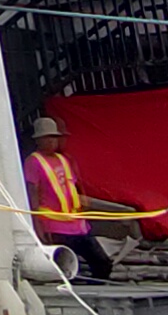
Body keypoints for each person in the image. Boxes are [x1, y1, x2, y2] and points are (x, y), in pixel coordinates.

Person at [23, 110, 112, 281]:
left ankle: (93, 289)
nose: (52, 141)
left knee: (102, 263)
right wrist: (38, 225)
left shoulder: (63, 159)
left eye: (54, 137)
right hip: (54, 226)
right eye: (47, 137)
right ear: (38, 140)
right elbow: (33, 194)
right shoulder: (33, 161)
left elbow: (71, 188)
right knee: (64, 268)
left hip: (76, 224)